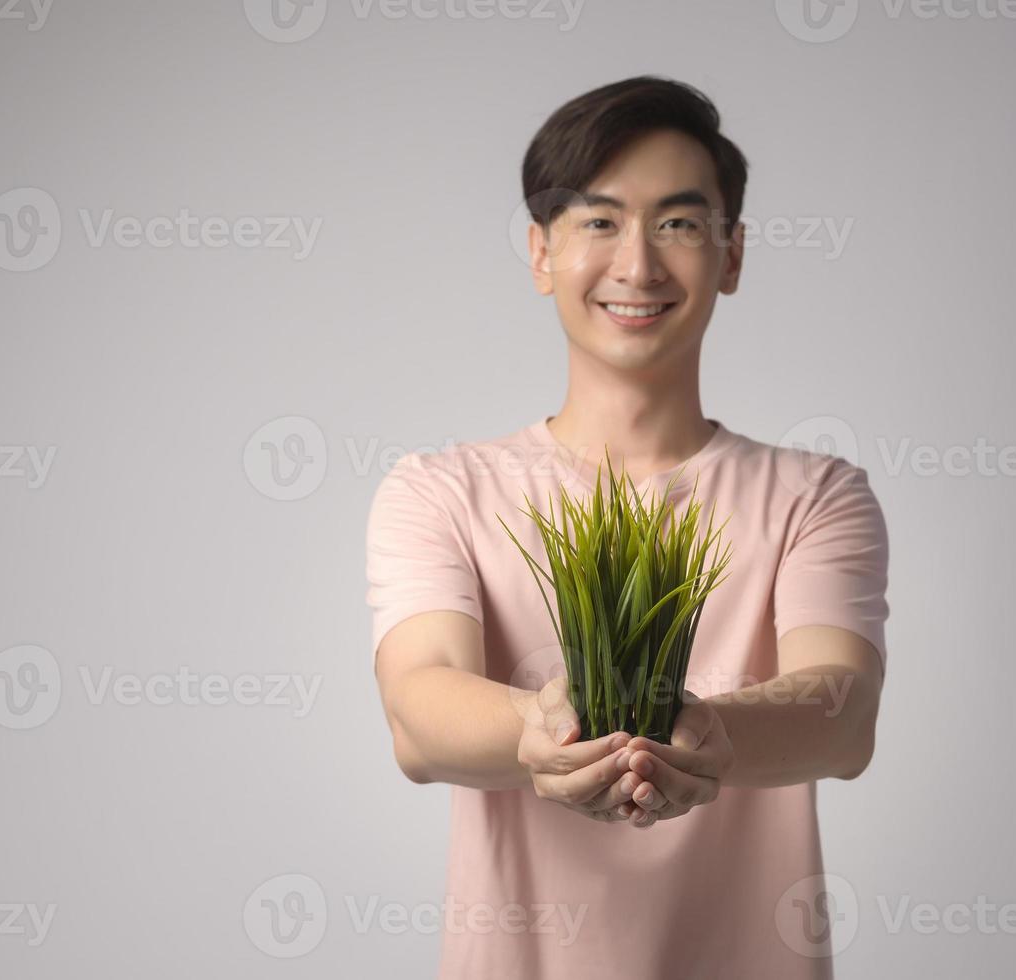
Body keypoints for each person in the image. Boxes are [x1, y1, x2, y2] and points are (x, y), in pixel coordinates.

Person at [365, 74, 889, 980]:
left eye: (680, 223)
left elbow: (841, 714)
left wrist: (712, 733)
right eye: (598, 222)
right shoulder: (440, 490)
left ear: (730, 255)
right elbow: (418, 708)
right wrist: (538, 728)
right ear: (540, 253)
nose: (638, 266)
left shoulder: (814, 494)